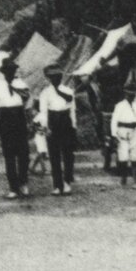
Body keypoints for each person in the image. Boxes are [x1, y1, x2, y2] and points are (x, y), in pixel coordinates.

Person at [0, 56, 32, 198]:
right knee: (9, 155)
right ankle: (13, 187)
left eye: (12, 70)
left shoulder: (21, 84)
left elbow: (28, 104)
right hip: (5, 118)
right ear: (3, 72)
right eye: (8, 70)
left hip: (19, 117)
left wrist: (30, 122)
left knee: (23, 153)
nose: (10, 73)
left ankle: (23, 183)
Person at [37, 63, 78, 195]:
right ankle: (57, 185)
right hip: (53, 122)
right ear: (49, 78)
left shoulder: (68, 91)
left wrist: (74, 126)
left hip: (66, 122)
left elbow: (72, 110)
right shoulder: (45, 93)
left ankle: (67, 182)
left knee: (68, 154)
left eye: (58, 76)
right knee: (54, 155)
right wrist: (45, 128)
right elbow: (43, 112)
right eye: (53, 77)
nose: (56, 79)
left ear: (61, 77)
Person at [110, 83, 136, 186]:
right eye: (129, 94)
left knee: (135, 157)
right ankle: (123, 178)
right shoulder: (119, 106)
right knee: (123, 157)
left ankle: (135, 180)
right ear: (125, 94)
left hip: (134, 131)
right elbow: (114, 121)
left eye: (132, 95)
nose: (131, 97)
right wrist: (114, 134)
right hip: (122, 131)